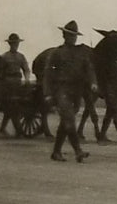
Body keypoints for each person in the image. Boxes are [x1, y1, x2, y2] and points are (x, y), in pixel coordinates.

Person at [42, 20, 98, 162]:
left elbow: (89, 69)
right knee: (69, 120)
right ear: (64, 35)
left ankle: (56, 152)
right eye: (69, 35)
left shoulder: (81, 53)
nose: (72, 38)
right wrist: (48, 93)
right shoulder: (57, 53)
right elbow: (48, 74)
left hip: (76, 91)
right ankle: (78, 151)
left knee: (65, 122)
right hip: (62, 90)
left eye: (74, 36)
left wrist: (93, 83)